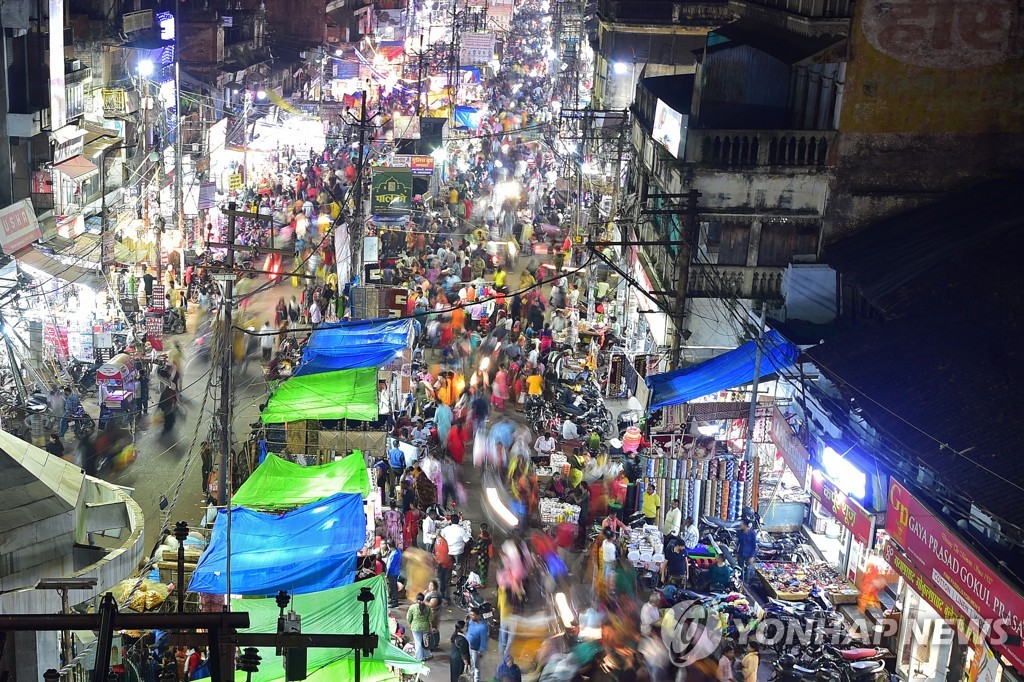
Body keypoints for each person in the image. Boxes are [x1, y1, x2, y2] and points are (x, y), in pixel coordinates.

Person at [407, 593, 434, 661]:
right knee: (424, 642)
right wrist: (431, 627)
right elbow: (430, 618)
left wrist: (409, 623)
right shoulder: (428, 608)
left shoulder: (412, 607)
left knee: (418, 642)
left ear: (416, 599)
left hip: (415, 627)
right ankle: (426, 655)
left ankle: (419, 657)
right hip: (425, 627)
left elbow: (408, 617)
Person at [466, 610, 489, 682]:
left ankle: (476, 680)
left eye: (473, 615)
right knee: (470, 663)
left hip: (476, 649)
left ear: (478, 615)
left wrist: (481, 650)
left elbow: (483, 639)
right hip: (469, 646)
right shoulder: (471, 622)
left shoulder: (483, 626)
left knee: (476, 665)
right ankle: (470, 677)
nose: (471, 616)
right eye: (470, 615)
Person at [736, 519, 758, 583]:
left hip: (749, 554)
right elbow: (738, 543)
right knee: (740, 568)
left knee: (749, 569)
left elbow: (754, 546)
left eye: (742, 524)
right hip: (741, 553)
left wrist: (752, 556)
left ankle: (747, 583)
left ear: (745, 525)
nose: (740, 525)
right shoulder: (740, 533)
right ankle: (740, 582)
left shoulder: (752, 533)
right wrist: (736, 553)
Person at [383, 542, 402, 607]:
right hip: (396, 572)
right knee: (393, 586)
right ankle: (393, 598)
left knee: (393, 587)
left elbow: (391, 566)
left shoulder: (394, 554)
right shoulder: (398, 551)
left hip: (392, 573)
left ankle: (395, 601)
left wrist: (387, 574)